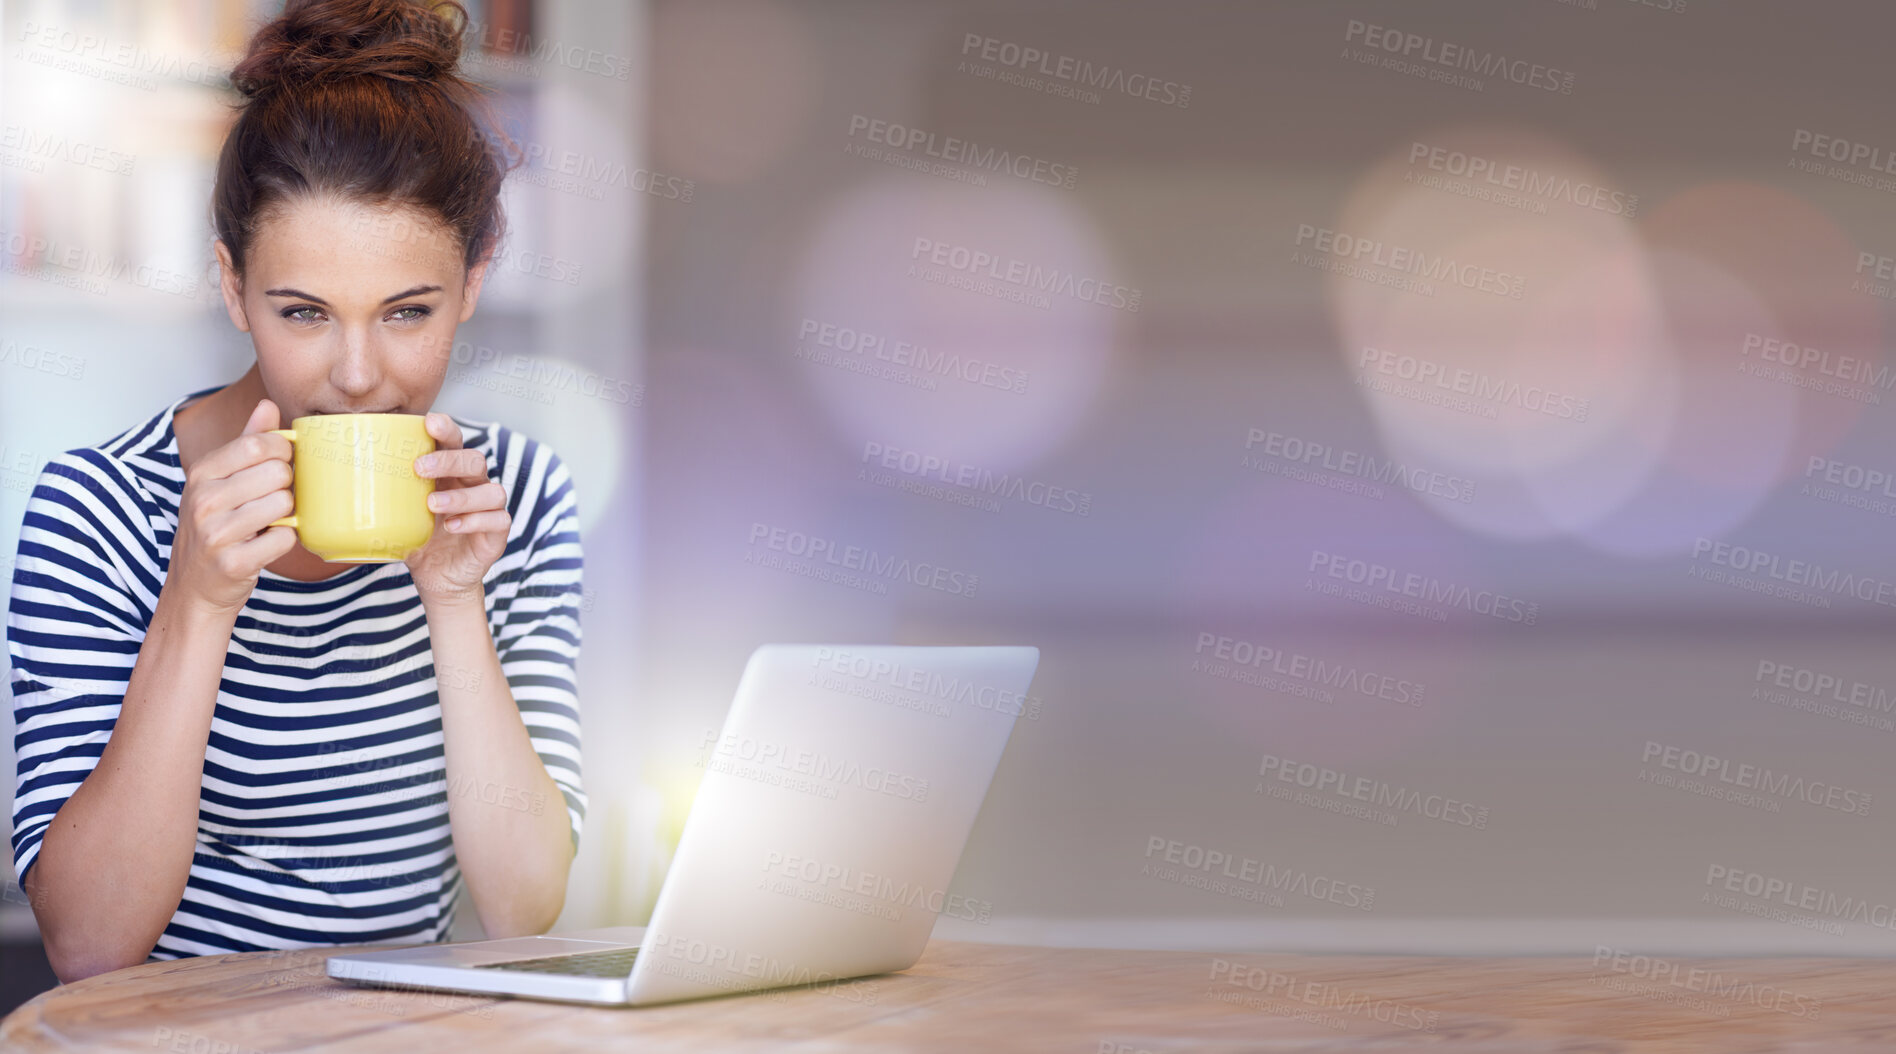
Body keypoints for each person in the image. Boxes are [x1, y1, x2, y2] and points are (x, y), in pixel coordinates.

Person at [7, 0, 586, 983]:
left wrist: (454, 603)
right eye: (304, 312)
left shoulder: (512, 497)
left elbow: (525, 907)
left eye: (408, 311)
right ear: (233, 287)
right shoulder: (97, 507)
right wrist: (194, 605)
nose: (357, 375)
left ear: (476, 278)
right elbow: (90, 943)